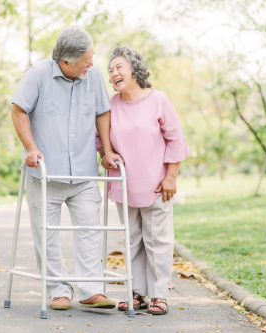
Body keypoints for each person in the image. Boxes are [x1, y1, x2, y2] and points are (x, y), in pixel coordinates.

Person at [10, 25, 123, 311]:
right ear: (65, 62)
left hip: (84, 173)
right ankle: (58, 290)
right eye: (86, 59)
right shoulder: (36, 75)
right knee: (46, 235)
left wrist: (107, 151)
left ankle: (91, 291)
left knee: (90, 229)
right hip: (46, 174)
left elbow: (102, 112)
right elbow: (18, 110)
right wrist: (31, 148)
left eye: (92, 56)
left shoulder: (93, 76)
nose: (93, 63)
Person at [96, 46, 191, 315]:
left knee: (157, 240)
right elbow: (99, 139)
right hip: (123, 184)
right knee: (132, 239)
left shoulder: (158, 100)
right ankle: (137, 293)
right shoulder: (110, 105)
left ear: (134, 69)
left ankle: (159, 295)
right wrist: (105, 153)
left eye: (119, 67)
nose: (113, 73)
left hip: (157, 184)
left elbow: (176, 140)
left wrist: (171, 176)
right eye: (110, 70)